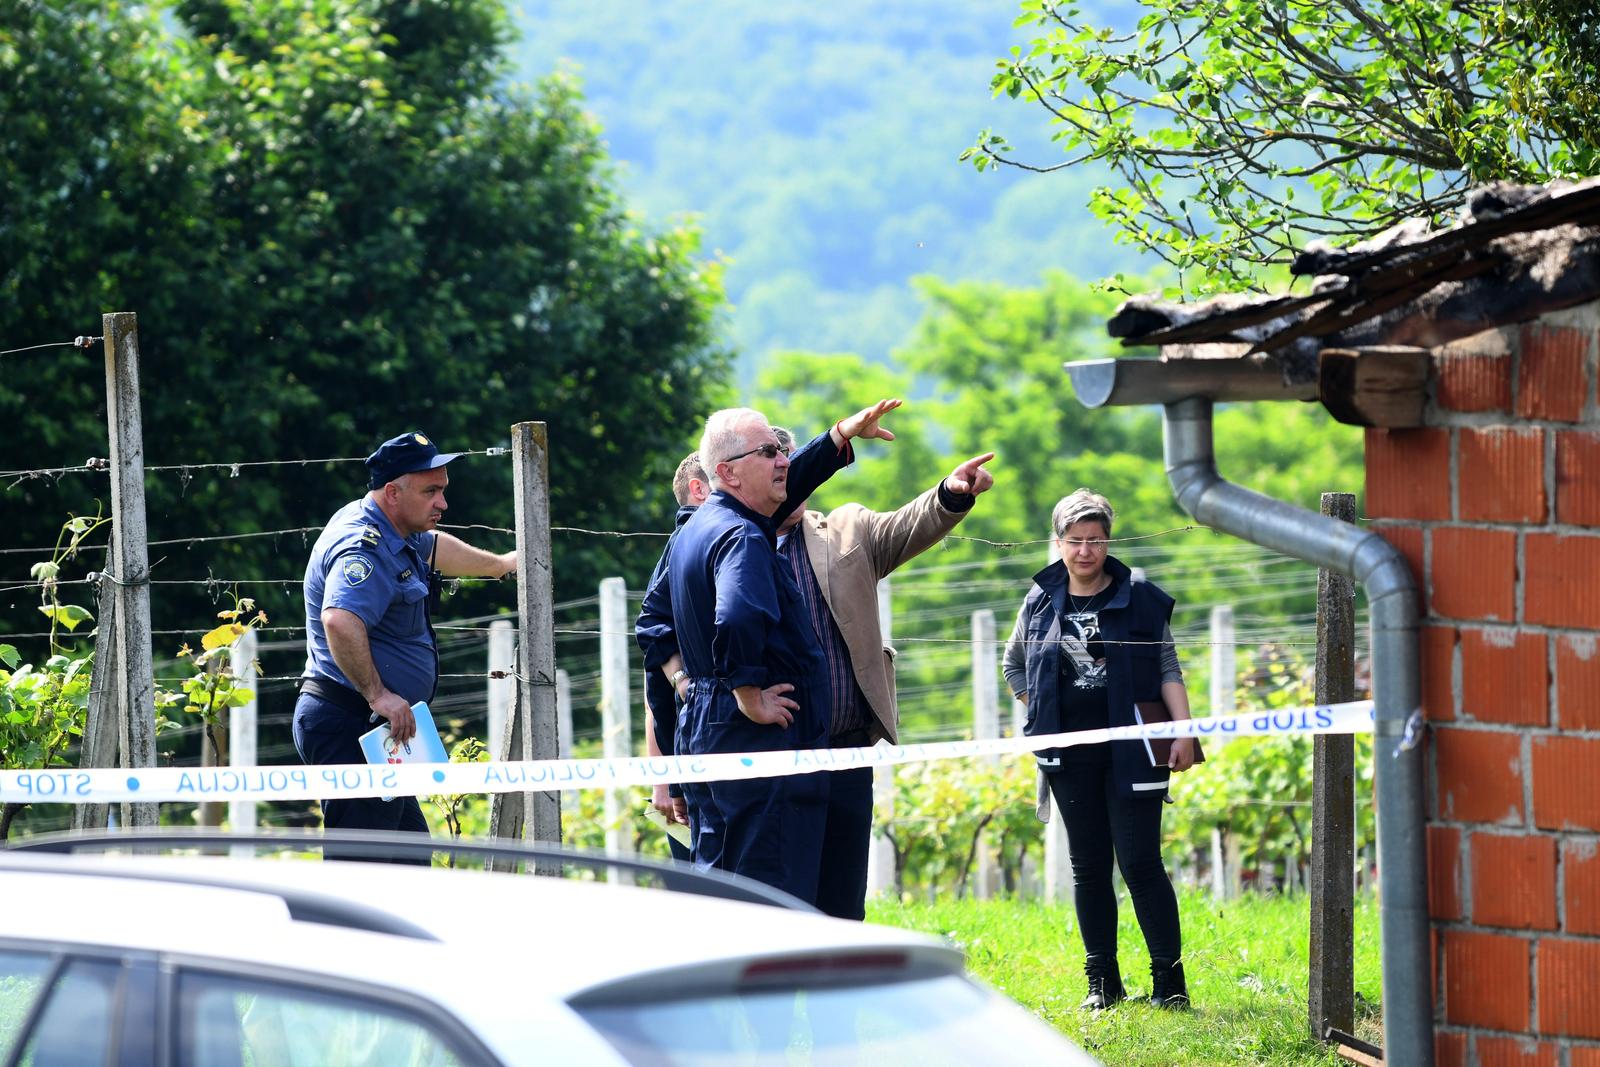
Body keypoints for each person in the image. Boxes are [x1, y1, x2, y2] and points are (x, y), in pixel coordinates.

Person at [635, 401, 900, 903]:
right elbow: (735, 617)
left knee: (726, 889)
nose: (783, 460)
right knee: (770, 898)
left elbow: (651, 616)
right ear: (727, 472)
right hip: (757, 744)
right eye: (770, 452)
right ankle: (761, 985)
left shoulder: (697, 528)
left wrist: (839, 435)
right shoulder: (742, 536)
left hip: (711, 735)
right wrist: (747, 691)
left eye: (783, 451)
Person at [770, 424, 995, 919]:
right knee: (784, 897)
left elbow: (907, 525)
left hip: (849, 747)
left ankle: (842, 991)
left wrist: (950, 495)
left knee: (844, 898)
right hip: (777, 754)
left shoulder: (847, 529)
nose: (788, 481)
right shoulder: (733, 544)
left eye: (792, 467)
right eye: (778, 469)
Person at [1003, 488, 1197, 1009]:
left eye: (1095, 541)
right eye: (1074, 540)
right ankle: (1102, 985)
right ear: (1059, 542)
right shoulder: (1039, 599)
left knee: (1139, 863)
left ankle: (1169, 985)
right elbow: (1013, 667)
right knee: (1088, 866)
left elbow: (1167, 670)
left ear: (1109, 541)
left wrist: (1184, 731)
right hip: (1069, 757)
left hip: (1133, 749)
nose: (1085, 551)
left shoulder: (1140, 596)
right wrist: (1040, 709)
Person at [295, 431, 516, 858]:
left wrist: (500, 566)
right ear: (393, 492)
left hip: (376, 730)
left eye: (443, 490)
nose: (443, 503)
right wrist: (378, 694)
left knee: (407, 858)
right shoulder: (364, 546)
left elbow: (435, 549)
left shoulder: (396, 526)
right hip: (351, 724)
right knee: (368, 871)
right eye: (431, 491)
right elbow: (339, 620)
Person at [641, 451, 709, 862]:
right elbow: (656, 691)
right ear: (699, 490)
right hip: (690, 757)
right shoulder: (687, 551)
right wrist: (665, 781)